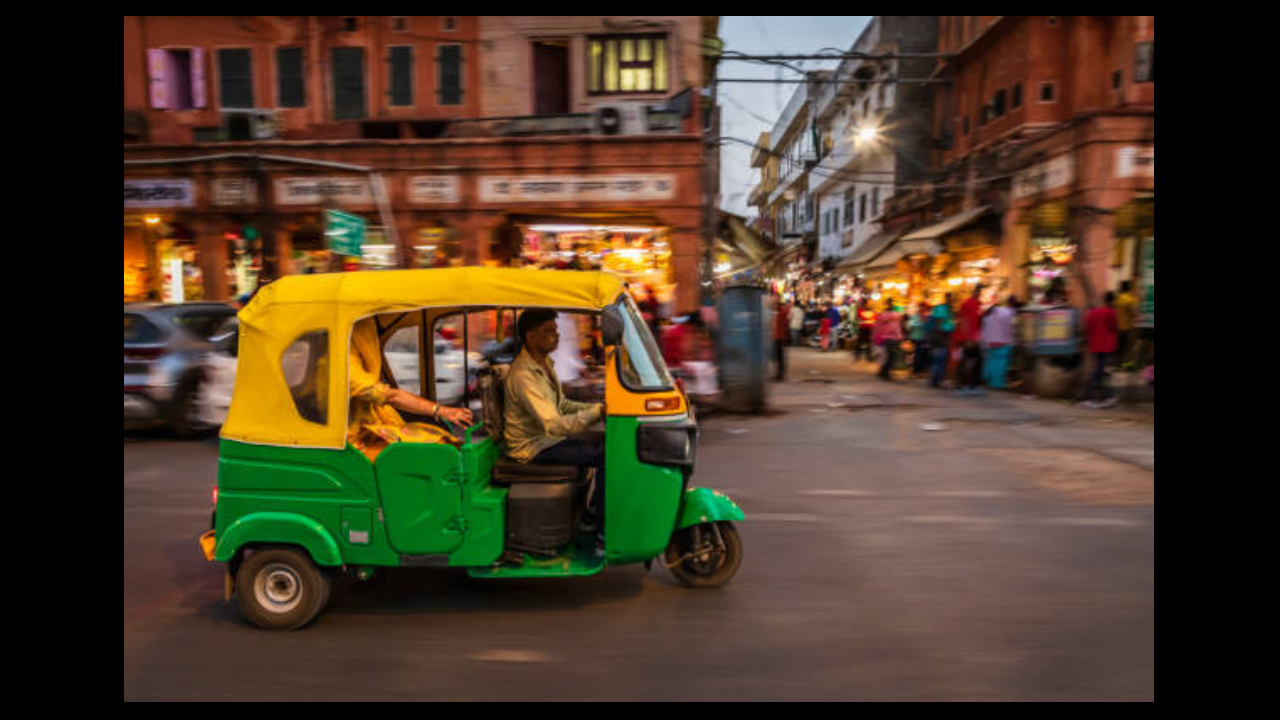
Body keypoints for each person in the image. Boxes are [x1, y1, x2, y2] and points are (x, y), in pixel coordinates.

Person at [347, 317, 474, 461]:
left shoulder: (353, 357)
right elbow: (390, 396)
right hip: (354, 440)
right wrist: (441, 410)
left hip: (371, 426)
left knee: (443, 442)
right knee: (434, 454)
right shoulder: (341, 365)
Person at [1082, 292, 1120, 408]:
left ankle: (1100, 395)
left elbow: (1088, 327)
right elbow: (1114, 328)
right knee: (1099, 370)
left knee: (1099, 368)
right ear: (1112, 301)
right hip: (1106, 345)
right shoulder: (1111, 313)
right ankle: (1093, 395)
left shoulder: (1093, 312)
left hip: (1094, 344)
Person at [981, 297, 1018, 390]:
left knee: (993, 361)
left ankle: (989, 379)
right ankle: (997, 384)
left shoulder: (997, 312)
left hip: (992, 341)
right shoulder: (1011, 313)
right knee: (1001, 364)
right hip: (1004, 342)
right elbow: (1012, 328)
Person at [955, 285, 985, 395]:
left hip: (972, 337)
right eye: (979, 292)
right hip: (968, 338)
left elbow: (976, 322)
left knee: (974, 361)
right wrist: (968, 338)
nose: (979, 295)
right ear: (975, 292)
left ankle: (970, 386)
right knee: (968, 362)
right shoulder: (969, 304)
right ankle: (964, 386)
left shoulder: (977, 304)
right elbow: (965, 321)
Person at [928, 296, 955, 389]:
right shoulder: (943, 311)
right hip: (940, 341)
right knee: (939, 362)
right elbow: (942, 327)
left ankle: (935, 381)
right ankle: (936, 381)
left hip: (938, 341)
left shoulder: (940, 310)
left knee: (938, 362)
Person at [875, 300, 904, 380]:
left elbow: (878, 327)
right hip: (891, 338)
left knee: (888, 356)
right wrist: (900, 337)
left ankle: (884, 372)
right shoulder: (896, 315)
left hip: (887, 338)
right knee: (891, 356)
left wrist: (876, 337)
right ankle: (885, 373)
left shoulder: (883, 315)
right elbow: (898, 327)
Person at [1114, 280, 1137, 368]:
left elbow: (1115, 310)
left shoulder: (1117, 299)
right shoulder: (1130, 299)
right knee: (1128, 347)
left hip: (1118, 326)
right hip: (1128, 327)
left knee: (1120, 347)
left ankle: (1118, 364)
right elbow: (1133, 313)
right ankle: (1127, 364)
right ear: (1129, 288)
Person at [907, 303, 932, 377]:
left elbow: (912, 326)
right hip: (917, 338)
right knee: (918, 355)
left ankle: (919, 371)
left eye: (923, 307)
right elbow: (912, 326)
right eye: (921, 307)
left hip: (922, 338)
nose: (922, 309)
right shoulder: (917, 316)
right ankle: (916, 371)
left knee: (922, 355)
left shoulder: (924, 316)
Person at [773, 299, 790, 381]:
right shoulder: (782, 312)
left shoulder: (779, 313)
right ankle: (780, 374)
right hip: (779, 337)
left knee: (779, 357)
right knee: (780, 357)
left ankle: (780, 375)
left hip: (778, 337)